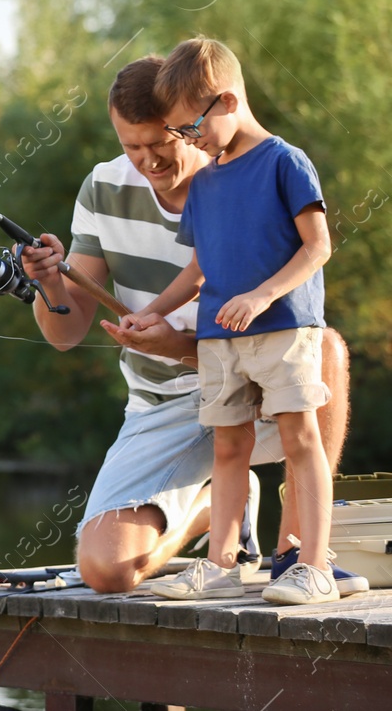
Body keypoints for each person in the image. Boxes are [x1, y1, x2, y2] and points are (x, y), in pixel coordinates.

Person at [19, 55, 355, 595]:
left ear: (189, 124)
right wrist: (50, 283)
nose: (147, 161)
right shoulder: (104, 188)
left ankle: (297, 553)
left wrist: (180, 345)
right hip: (162, 406)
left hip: (257, 382)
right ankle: (209, 509)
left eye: (163, 143)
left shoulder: (239, 171)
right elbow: (65, 334)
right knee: (105, 571)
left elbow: (302, 277)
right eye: (132, 147)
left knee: (326, 353)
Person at [118, 39, 340, 603]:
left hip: (284, 326)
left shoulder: (284, 162)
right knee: (227, 448)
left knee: (299, 436)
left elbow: (317, 248)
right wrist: (152, 313)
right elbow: (198, 268)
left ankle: (311, 565)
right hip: (221, 338)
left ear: (226, 101)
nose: (187, 143)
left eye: (190, 130)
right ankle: (223, 564)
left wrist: (263, 296)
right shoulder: (207, 182)